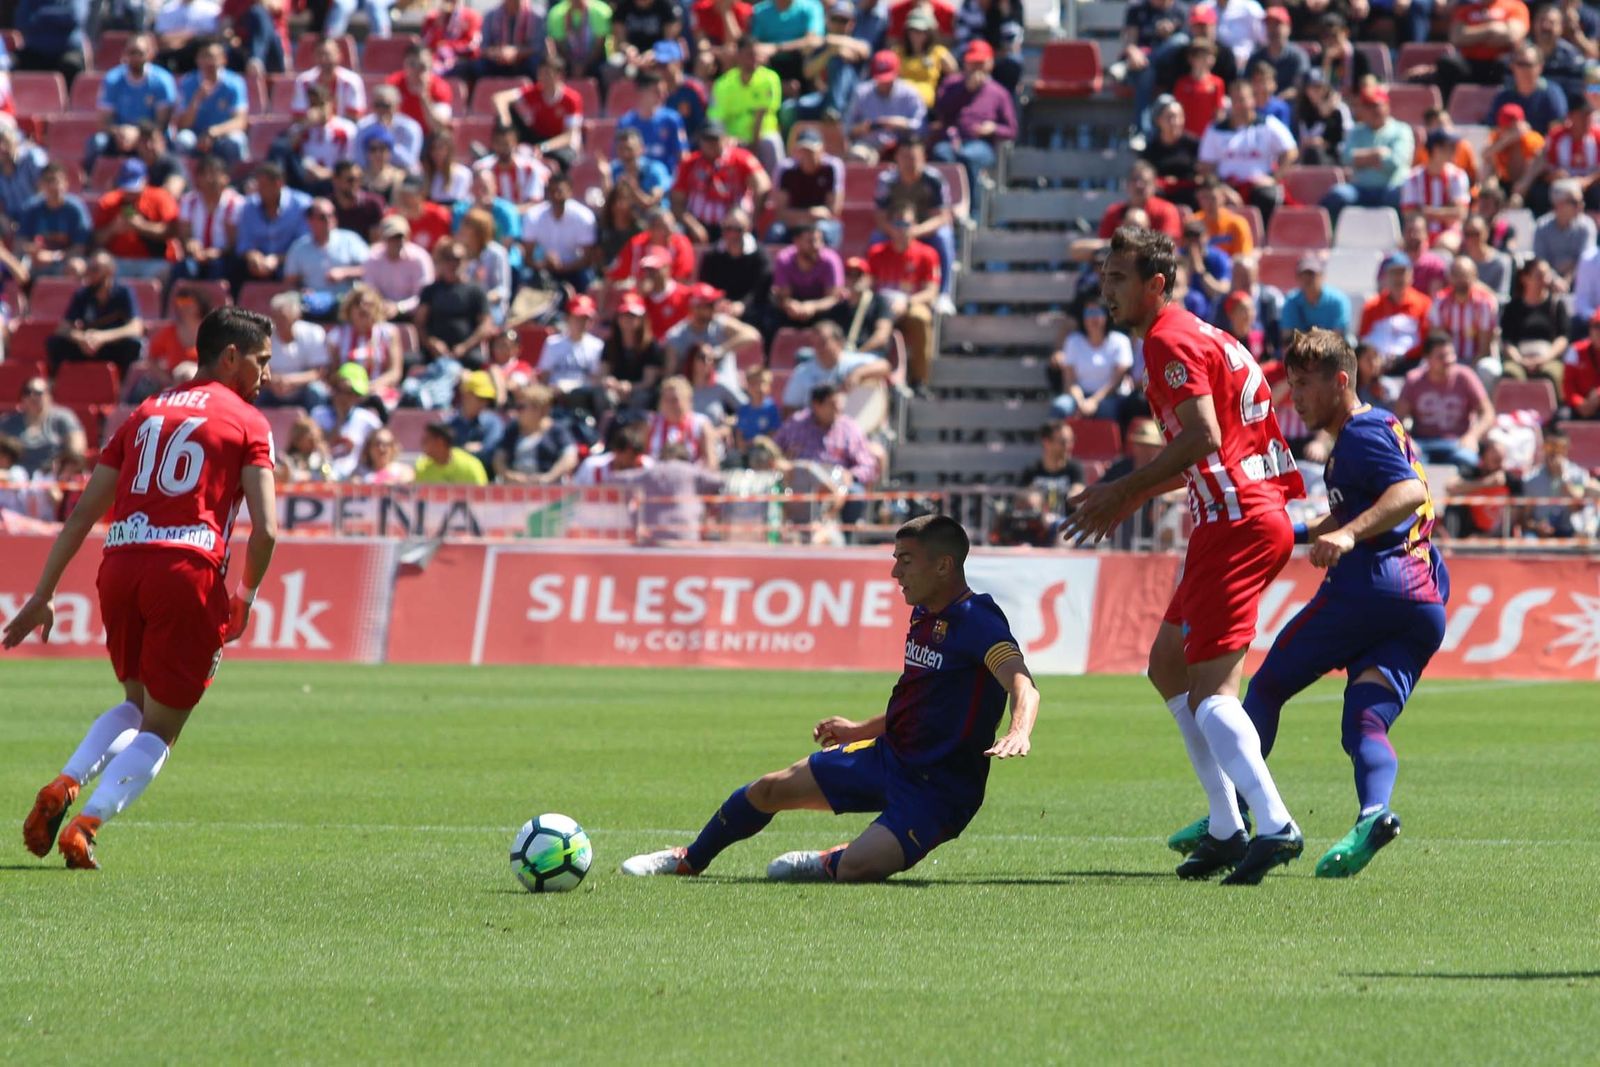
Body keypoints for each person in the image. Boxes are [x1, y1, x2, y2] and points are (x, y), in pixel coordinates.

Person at [1066, 225, 1305, 885]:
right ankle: (1226, 826)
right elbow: (1215, 442)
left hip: (1238, 520)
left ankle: (1276, 822)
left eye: (1119, 279)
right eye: (1105, 277)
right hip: (1233, 514)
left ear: (1156, 285)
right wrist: (1136, 495)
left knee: (1211, 693)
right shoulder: (1200, 333)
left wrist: (1126, 484)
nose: (1107, 290)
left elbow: (1199, 436)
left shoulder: (1169, 340)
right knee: (1167, 665)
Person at [5, 307, 278, 871]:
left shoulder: (144, 412)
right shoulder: (248, 420)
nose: (266, 374)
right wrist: (245, 594)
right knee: (162, 727)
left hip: (121, 565)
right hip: (185, 570)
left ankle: (67, 779)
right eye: (261, 360)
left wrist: (43, 592)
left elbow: (82, 512)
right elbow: (267, 527)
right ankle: (85, 824)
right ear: (230, 356)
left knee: (134, 703)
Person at [620, 513, 1039, 881]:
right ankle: (688, 859)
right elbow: (922, 703)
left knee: (858, 869)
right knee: (769, 789)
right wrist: (861, 729)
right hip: (888, 757)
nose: (895, 573)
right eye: (895, 561)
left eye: (905, 561)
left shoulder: (977, 620)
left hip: (941, 790)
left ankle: (832, 860)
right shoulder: (923, 613)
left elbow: (1021, 681)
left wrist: (1019, 729)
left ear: (944, 565)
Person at [1225, 328, 1448, 879]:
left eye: (1304, 384)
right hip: (1421, 602)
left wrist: (1348, 539)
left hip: (1373, 584)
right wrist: (1294, 530)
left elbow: (1410, 493)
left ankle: (1227, 819)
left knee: (1269, 685)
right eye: (1290, 384)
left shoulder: (1362, 432)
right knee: (1365, 723)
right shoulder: (1377, 428)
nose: (1295, 397)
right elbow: (1355, 509)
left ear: (1341, 381)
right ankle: (1374, 813)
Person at [928, 40, 1015, 217]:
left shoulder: (999, 92)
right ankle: (940, 210)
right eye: (972, 63)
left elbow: (1011, 129)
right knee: (941, 154)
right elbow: (941, 111)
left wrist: (992, 129)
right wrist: (965, 90)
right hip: (950, 140)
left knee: (968, 157)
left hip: (980, 144)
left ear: (990, 64)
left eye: (980, 63)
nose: (976, 68)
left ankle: (970, 213)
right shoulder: (952, 83)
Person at [1392, 331, 1496, 468]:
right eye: (1441, 356)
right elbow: (1396, 420)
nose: (1449, 360)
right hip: (1423, 443)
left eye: (1451, 354)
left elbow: (1488, 413)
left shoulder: (1465, 377)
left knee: (1468, 461)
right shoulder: (1414, 380)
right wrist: (1407, 440)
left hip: (1458, 443)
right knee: (1408, 465)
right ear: (1427, 359)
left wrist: (1473, 436)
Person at [46, 253, 147, 378]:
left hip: (112, 345)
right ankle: (61, 386)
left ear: (109, 272)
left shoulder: (123, 293)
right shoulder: (83, 294)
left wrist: (102, 337)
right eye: (89, 269)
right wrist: (82, 338)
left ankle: (124, 392)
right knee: (56, 344)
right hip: (87, 346)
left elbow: (136, 328)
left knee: (134, 345)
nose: (90, 275)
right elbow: (63, 328)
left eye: (95, 270)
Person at [1322, 84, 1414, 221]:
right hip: (1360, 189)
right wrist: (1378, 154)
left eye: (1377, 105)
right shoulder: (1356, 131)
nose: (1374, 111)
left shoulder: (1401, 130)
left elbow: (1395, 162)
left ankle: (1402, 239)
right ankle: (1332, 238)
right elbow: (1346, 158)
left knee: (1400, 197)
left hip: (1390, 188)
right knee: (1337, 195)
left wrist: (1361, 158)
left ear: (1387, 106)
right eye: (1368, 106)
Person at [671, 122, 771, 245]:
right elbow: (676, 201)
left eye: (715, 139)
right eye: (706, 139)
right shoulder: (689, 164)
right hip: (698, 224)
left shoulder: (740, 158)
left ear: (725, 139)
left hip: (734, 225)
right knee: (676, 233)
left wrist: (751, 219)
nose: (710, 144)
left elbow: (763, 185)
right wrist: (693, 226)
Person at [91, 33, 181, 168]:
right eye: (131, 52)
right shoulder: (113, 79)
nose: (135, 57)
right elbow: (104, 121)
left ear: (150, 54)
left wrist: (139, 134)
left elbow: (162, 122)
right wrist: (120, 131)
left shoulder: (162, 80)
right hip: (121, 136)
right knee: (98, 142)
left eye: (140, 53)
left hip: (152, 135)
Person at [709, 38, 786, 174]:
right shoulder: (723, 84)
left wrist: (753, 143)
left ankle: (776, 188)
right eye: (749, 55)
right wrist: (727, 138)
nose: (754, 59)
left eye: (757, 54)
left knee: (771, 143)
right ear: (738, 56)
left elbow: (761, 115)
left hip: (762, 134)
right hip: (733, 136)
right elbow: (716, 119)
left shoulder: (770, 78)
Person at [1050, 297, 1133, 421]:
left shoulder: (1120, 341)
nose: (1092, 318)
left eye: (1097, 313)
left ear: (1106, 315)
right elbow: (1069, 381)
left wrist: (1094, 401)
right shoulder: (1073, 341)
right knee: (1060, 406)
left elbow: (1115, 382)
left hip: (1108, 397)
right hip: (1078, 397)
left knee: (1107, 409)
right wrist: (1081, 402)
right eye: (1088, 313)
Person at [172, 37, 250, 166]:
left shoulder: (234, 83)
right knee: (183, 140)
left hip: (222, 134)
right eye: (204, 57)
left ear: (223, 59)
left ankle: (235, 181)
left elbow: (240, 121)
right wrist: (197, 100)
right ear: (197, 60)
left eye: (213, 57)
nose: (209, 62)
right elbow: (182, 124)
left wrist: (213, 132)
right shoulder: (187, 83)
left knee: (237, 141)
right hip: (196, 135)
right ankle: (185, 179)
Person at [779, 319, 889, 409]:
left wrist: (858, 374)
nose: (818, 347)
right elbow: (789, 408)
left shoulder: (852, 361)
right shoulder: (803, 372)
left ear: (839, 342)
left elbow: (885, 366)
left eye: (823, 342)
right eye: (814, 343)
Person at [845, 51, 926, 164]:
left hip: (901, 146)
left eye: (889, 79)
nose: (884, 83)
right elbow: (847, 129)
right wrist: (863, 128)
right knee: (857, 155)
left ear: (897, 73)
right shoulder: (862, 92)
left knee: (911, 156)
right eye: (880, 79)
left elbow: (921, 127)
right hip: (869, 145)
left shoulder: (910, 93)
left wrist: (900, 123)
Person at [15, 162, 91, 280]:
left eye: (57, 181)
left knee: (76, 267)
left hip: (65, 261)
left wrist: (53, 257)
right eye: (48, 181)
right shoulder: (32, 208)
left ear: (66, 183)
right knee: (16, 268)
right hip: (36, 261)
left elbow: (80, 247)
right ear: (41, 184)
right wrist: (31, 250)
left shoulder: (75, 209)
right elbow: (20, 243)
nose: (53, 186)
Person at [494, 384, 581, 484]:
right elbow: (498, 458)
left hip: (549, 490)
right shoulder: (513, 430)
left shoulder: (557, 430)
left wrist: (549, 477)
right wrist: (508, 474)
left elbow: (570, 458)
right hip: (515, 489)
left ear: (539, 409)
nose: (517, 411)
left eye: (521, 407)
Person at [0, 378, 87, 476]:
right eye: (27, 392)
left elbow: (76, 450)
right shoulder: (8, 422)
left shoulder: (63, 418)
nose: (32, 396)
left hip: (53, 475)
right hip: (15, 479)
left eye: (38, 393)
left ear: (49, 395)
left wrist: (63, 470)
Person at [260, 290, 331, 408]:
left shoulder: (313, 333)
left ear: (296, 317)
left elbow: (320, 371)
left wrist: (291, 381)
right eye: (275, 317)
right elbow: (259, 369)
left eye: (283, 317)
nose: (279, 322)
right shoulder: (264, 336)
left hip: (302, 388)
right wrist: (272, 382)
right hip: (272, 388)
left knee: (317, 392)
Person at [353, 85, 425, 170]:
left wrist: (387, 136)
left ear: (397, 106)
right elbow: (360, 160)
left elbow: (408, 161)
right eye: (377, 105)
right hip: (371, 176)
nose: (381, 110)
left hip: (404, 175)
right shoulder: (364, 126)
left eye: (386, 106)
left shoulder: (410, 127)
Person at [1280, 252, 1351, 336]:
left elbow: (1338, 335)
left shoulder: (1338, 300)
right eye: (1303, 274)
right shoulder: (1291, 300)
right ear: (1297, 277)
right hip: (1300, 348)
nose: (1307, 278)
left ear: (1322, 276)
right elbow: (1287, 334)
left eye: (1311, 274)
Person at [1018, 419, 1084, 505]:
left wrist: (1074, 494)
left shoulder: (1074, 468)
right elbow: (1021, 494)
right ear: (1046, 443)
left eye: (1071, 440)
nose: (1069, 446)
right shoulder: (1032, 470)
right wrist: (1029, 497)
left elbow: (1079, 489)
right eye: (1063, 442)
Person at [414, 421, 490, 484]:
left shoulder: (471, 466)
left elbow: (482, 496)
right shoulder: (422, 467)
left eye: (426, 440)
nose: (422, 443)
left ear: (440, 442)